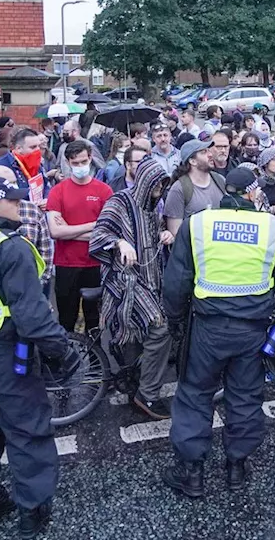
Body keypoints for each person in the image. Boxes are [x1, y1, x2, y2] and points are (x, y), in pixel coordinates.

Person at [160, 167, 275, 496]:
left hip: (206, 328)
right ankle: (236, 468)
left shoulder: (197, 224)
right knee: (244, 397)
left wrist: (175, 321)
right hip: (253, 331)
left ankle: (193, 473)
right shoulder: (273, 227)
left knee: (195, 396)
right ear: (253, 193)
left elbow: (176, 282)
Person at [0, 178, 79, 537]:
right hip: (10, 350)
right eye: (12, 201)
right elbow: (33, 316)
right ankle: (32, 511)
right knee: (28, 428)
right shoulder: (10, 247)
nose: (20, 206)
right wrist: (63, 352)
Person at [89, 160, 176, 418]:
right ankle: (147, 395)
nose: (160, 187)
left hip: (150, 279)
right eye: (157, 183)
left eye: (163, 183)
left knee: (146, 331)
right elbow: (99, 234)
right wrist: (119, 242)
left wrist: (165, 235)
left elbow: (154, 232)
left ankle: (134, 377)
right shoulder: (120, 202)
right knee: (161, 327)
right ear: (146, 181)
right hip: (125, 281)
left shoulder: (152, 205)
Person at [46, 140, 113, 333]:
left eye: (84, 162)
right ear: (68, 162)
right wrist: (93, 226)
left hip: (95, 263)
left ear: (91, 159)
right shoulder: (58, 191)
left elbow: (107, 232)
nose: (80, 167)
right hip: (66, 264)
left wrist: (70, 231)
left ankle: (95, 360)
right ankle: (65, 361)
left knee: (94, 321)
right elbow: (56, 232)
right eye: (75, 163)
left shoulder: (103, 191)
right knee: (66, 319)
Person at [163, 139, 227, 238]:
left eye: (208, 150)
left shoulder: (220, 180)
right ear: (192, 161)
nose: (210, 155)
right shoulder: (179, 189)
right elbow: (175, 231)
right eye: (203, 152)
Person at [0, 127, 49, 203]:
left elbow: (46, 185)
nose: (38, 150)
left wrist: (46, 199)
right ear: (18, 148)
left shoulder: (38, 164)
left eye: (39, 146)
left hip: (38, 210)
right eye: (33, 147)